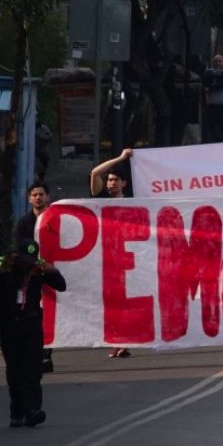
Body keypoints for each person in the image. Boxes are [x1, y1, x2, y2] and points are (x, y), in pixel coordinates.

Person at [0, 240, 64, 427]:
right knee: (14, 371)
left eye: (30, 260)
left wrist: (53, 271)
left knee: (33, 369)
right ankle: (17, 412)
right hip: (9, 325)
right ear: (15, 256)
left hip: (31, 325)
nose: (26, 264)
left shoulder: (37, 270)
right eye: (23, 260)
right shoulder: (4, 267)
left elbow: (61, 286)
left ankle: (32, 410)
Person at [90, 149, 134, 357]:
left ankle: (123, 341)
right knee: (110, 303)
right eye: (110, 180)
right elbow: (94, 173)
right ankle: (115, 341)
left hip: (129, 257)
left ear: (124, 184)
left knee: (127, 300)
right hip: (105, 257)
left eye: (116, 180)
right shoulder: (101, 199)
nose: (111, 183)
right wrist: (121, 158)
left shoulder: (134, 202)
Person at [15, 182, 55, 371]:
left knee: (51, 313)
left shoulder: (55, 219)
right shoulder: (24, 222)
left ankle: (46, 354)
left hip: (50, 273)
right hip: (30, 276)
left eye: (41, 194)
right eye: (34, 194)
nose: (38, 198)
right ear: (29, 198)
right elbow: (17, 247)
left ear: (48, 197)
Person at [203, 55, 223, 143]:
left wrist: (211, 87)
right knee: (213, 132)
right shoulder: (209, 74)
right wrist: (213, 76)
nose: (218, 64)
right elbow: (204, 81)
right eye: (216, 61)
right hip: (214, 109)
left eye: (220, 61)